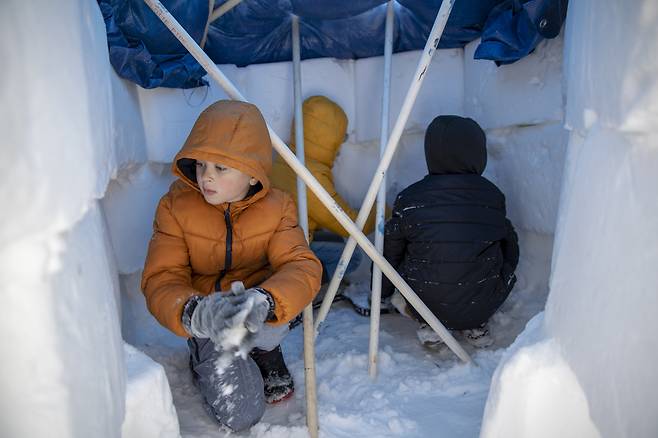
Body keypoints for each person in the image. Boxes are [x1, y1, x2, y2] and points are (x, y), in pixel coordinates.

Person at [141, 100, 322, 432]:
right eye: (201, 165)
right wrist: (195, 312)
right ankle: (205, 356)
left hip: (256, 310)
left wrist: (265, 301)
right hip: (210, 318)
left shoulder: (278, 206)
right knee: (242, 413)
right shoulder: (174, 207)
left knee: (287, 302)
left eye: (221, 168)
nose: (206, 177)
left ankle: (266, 350)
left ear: (252, 174)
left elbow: (301, 265)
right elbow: (162, 277)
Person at [382, 115, 519, 348]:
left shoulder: (410, 199)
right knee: (506, 236)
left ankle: (430, 325)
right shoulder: (492, 196)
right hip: (482, 305)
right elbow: (510, 248)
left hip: (423, 305)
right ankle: (476, 324)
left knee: (406, 240)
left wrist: (383, 293)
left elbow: (390, 252)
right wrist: (504, 274)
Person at [270, 95, 378, 283]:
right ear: (332, 139)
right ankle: (301, 286)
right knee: (352, 257)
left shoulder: (284, 158)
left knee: (331, 239)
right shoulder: (311, 175)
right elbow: (351, 226)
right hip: (286, 251)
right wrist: (382, 210)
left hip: (274, 244)